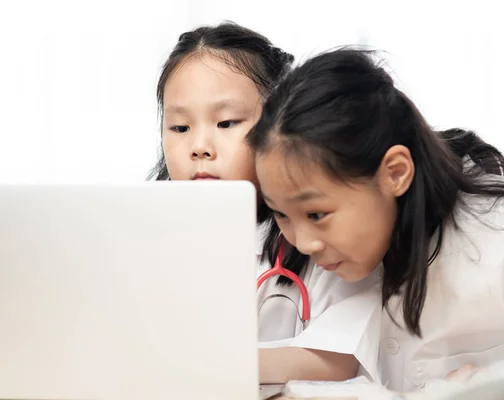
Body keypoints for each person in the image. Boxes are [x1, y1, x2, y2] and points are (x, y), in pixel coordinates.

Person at [246, 48, 504, 392]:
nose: (304, 242)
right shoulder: (336, 254)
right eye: (281, 213)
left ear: (395, 173)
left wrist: (501, 385)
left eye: (317, 214)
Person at [148, 23, 382, 383]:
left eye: (225, 123)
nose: (199, 146)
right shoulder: (147, 240)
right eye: (180, 128)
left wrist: (189, 364)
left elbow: (336, 360)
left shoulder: (320, 240)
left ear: (278, 124)